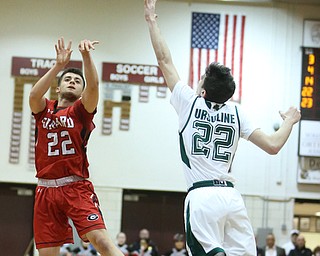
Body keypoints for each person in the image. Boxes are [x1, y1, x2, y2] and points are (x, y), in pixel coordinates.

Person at [144, 0, 301, 255]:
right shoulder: (237, 113)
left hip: (202, 195)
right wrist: (290, 121)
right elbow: (273, 146)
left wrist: (151, 19)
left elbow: (164, 59)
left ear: (203, 90)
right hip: (231, 198)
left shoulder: (189, 103)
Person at [29, 37, 124, 256]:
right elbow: (34, 95)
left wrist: (86, 56)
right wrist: (58, 66)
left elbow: (95, 86)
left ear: (81, 91)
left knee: (102, 241)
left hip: (75, 187)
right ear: (58, 87)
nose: (72, 81)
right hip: (45, 188)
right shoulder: (44, 110)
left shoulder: (81, 111)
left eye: (77, 81)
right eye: (67, 79)